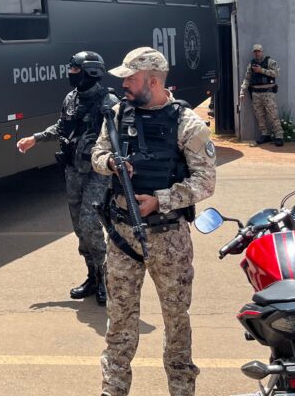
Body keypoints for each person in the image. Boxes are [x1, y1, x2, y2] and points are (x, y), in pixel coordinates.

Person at [91, 47, 216, 396]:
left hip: (168, 237)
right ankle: (112, 389)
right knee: (119, 323)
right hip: (121, 236)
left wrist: (159, 201)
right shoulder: (117, 114)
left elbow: (204, 182)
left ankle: (181, 388)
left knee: (176, 321)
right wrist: (112, 164)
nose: (124, 84)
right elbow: (96, 155)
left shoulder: (187, 122)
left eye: (130, 78)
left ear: (154, 80)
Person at [17, 51, 114, 303]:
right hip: (73, 170)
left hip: (97, 173)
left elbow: (119, 139)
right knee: (79, 227)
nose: (70, 74)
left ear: (90, 72)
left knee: (91, 223)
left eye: (74, 70)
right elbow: (62, 127)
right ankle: (92, 276)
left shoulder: (108, 102)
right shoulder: (71, 98)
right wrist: (35, 139)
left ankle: (106, 279)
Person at [239, 44, 284, 147]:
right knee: (259, 115)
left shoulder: (270, 62)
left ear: (262, 51)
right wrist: (242, 91)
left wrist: (261, 70)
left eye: (258, 51)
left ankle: (279, 136)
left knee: (273, 114)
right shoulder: (251, 64)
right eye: (255, 51)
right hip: (256, 93)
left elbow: (276, 73)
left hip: (268, 92)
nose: (257, 53)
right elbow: (247, 78)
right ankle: (265, 135)